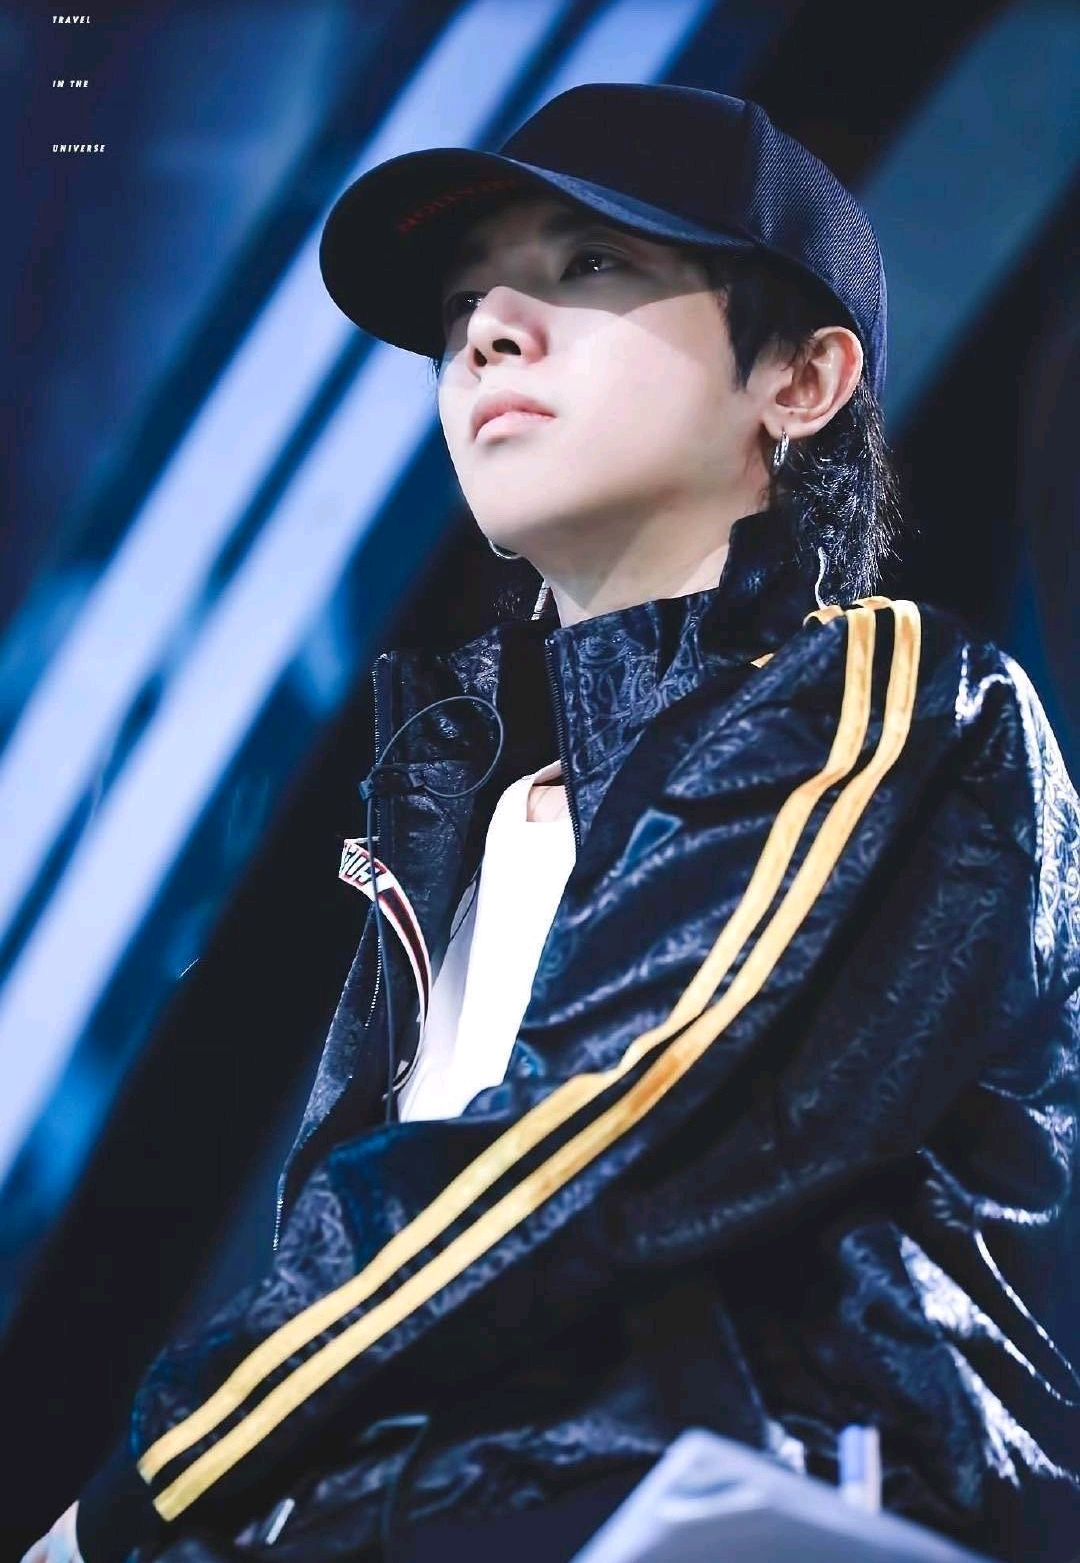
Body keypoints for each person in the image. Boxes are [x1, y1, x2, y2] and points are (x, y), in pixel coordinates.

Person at [25, 83, 1080, 1563]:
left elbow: (594, 1139)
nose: (489, 334)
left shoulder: (888, 703)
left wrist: (136, 1500)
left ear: (802, 378)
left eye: (591, 264)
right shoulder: (461, 825)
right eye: (465, 303)